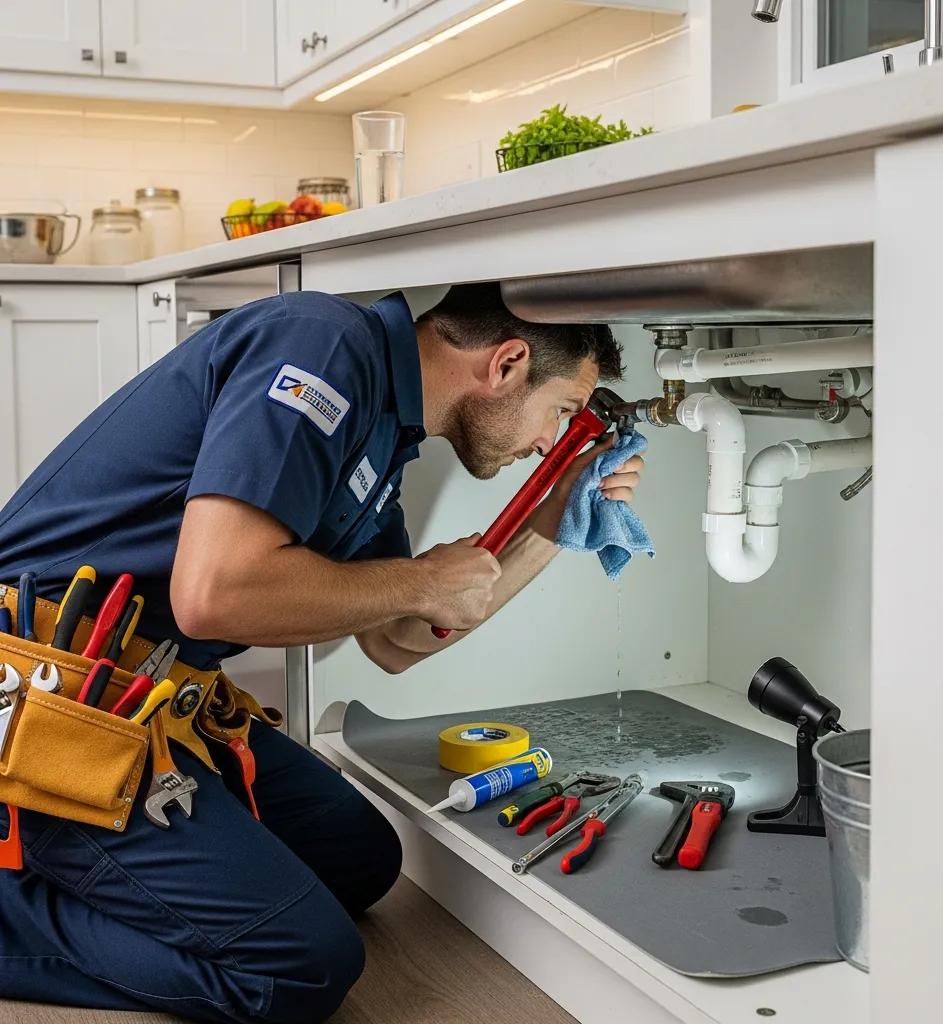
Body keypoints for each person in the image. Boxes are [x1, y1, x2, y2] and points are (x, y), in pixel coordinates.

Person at [0, 282, 643, 1023]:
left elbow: (397, 642)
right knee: (301, 967)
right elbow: (213, 595)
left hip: (143, 704)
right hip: (52, 711)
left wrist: (555, 520)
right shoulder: (320, 344)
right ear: (506, 364)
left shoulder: (384, 432)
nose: (545, 443)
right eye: (561, 411)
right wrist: (421, 577)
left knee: (360, 859)